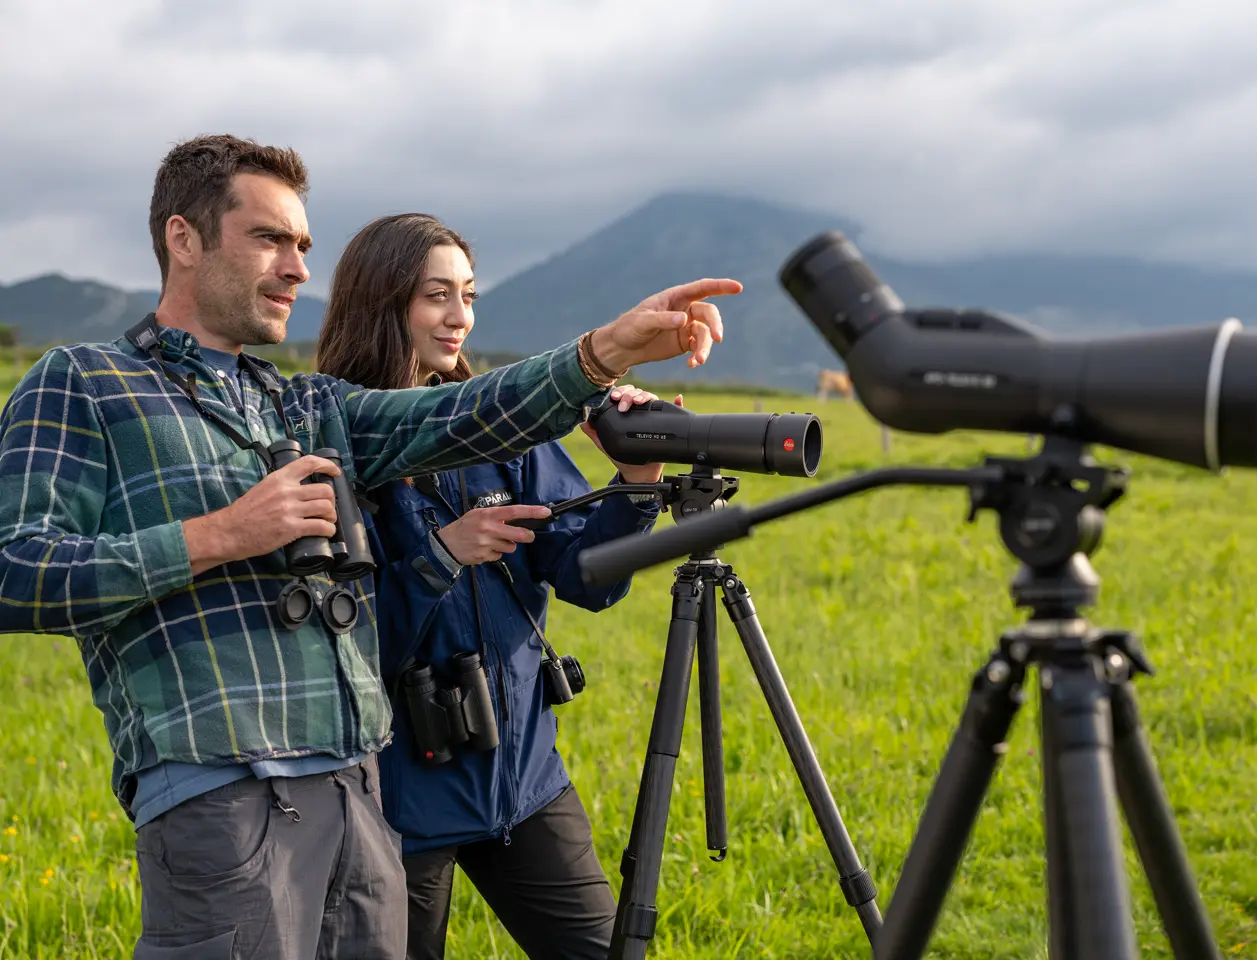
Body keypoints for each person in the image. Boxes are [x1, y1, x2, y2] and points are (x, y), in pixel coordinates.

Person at [0, 134, 741, 960]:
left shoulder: (308, 406)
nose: (296, 268)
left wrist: (599, 356)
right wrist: (222, 536)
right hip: (225, 784)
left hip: (359, 786)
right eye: (269, 239)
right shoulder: (85, 381)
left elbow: (459, 416)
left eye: (304, 246)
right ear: (184, 238)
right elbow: (11, 570)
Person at [314, 212, 671, 959]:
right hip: (398, 801)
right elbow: (343, 645)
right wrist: (441, 555)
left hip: (524, 777)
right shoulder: (332, 440)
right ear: (383, 303)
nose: (459, 317)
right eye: (435, 295)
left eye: (469, 295)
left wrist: (636, 484)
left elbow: (587, 579)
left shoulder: (506, 430)